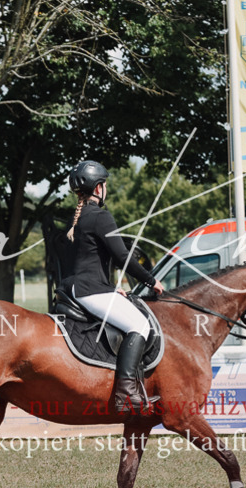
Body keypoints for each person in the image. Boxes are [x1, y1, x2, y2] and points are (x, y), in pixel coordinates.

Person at [66, 160, 165, 413]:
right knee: (140, 325)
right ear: (99, 188)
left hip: (86, 288)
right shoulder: (100, 217)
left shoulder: (80, 217)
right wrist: (151, 280)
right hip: (91, 290)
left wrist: (111, 289)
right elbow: (123, 258)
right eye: (105, 184)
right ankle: (126, 394)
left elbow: (90, 262)